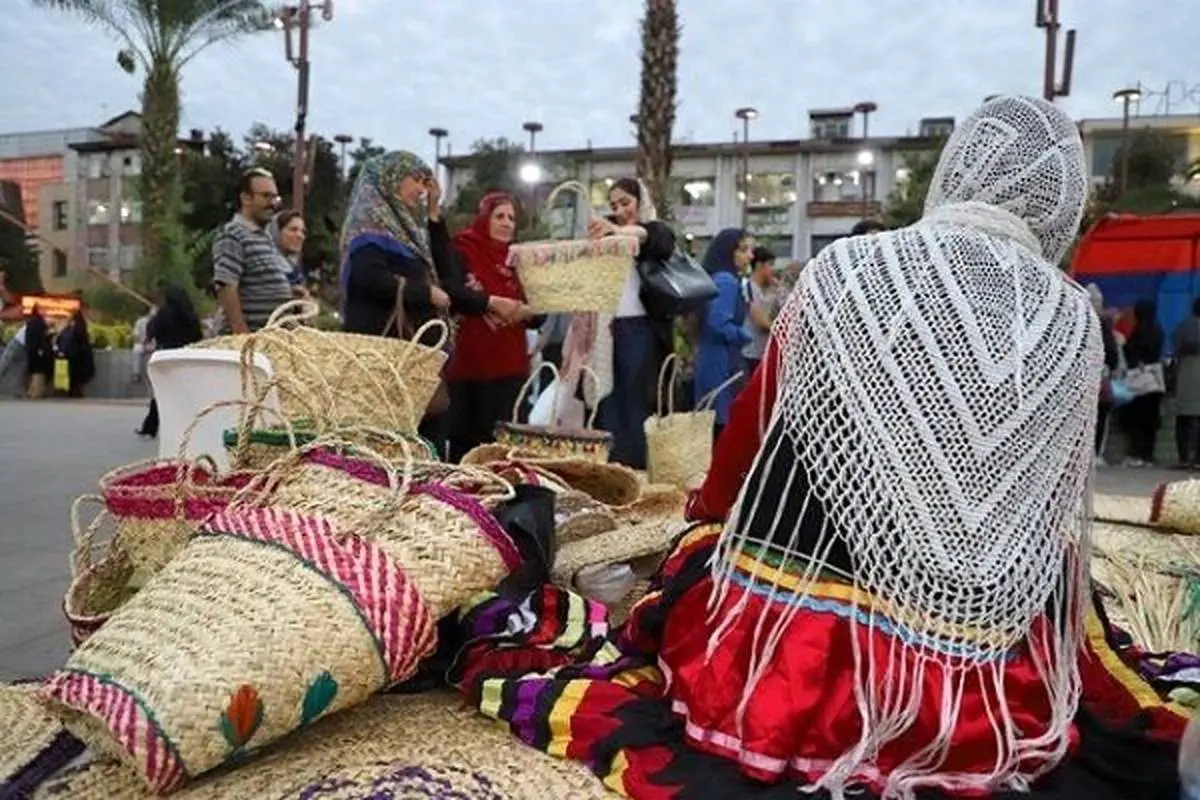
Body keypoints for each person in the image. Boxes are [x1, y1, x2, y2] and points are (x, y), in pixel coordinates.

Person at [447, 96, 1186, 800]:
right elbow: (1044, 501)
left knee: (703, 561)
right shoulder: (1071, 321)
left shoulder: (847, 274)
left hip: (800, 655)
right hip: (988, 672)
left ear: (956, 169)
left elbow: (758, 424)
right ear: (1059, 203)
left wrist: (702, 524)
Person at [339, 151, 520, 456]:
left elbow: (443, 269)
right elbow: (368, 279)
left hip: (416, 363)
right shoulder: (368, 228)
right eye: (416, 180)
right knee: (388, 449)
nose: (422, 190)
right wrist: (425, 293)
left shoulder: (408, 231)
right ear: (391, 180)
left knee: (427, 448)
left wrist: (434, 213)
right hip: (384, 360)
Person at [569, 178, 675, 469]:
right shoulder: (603, 238)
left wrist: (617, 231)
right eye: (614, 205)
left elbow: (653, 238)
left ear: (641, 201)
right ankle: (610, 471)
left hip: (639, 329)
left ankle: (639, 472)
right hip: (605, 331)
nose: (619, 210)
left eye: (626, 202)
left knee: (636, 404)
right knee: (607, 402)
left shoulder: (654, 231)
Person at [444, 191, 535, 461]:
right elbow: (453, 293)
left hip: (509, 365)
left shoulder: (519, 260)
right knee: (467, 445)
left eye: (512, 218)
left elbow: (539, 310)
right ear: (484, 218)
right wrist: (490, 302)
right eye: (500, 216)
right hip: (470, 363)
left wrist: (524, 312)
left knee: (504, 446)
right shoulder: (462, 249)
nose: (507, 223)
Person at [211, 168, 295, 334]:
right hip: (248, 343)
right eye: (265, 196)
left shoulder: (265, 237)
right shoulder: (233, 234)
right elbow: (226, 285)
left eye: (274, 197)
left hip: (268, 339)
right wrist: (241, 333)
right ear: (246, 198)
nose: (272, 203)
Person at [692, 228, 753, 441]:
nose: (750, 256)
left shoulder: (716, 277)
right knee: (722, 426)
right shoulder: (727, 281)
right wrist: (744, 336)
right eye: (744, 250)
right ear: (730, 252)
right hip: (722, 361)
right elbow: (718, 322)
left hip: (712, 357)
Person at [137, 285, 204, 438]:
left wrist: (154, 316)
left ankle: (150, 426)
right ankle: (186, 425)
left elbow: (151, 331)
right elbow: (198, 336)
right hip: (185, 356)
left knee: (161, 392)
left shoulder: (164, 313)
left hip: (166, 355)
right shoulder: (190, 315)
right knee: (184, 392)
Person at [1121, 299, 1165, 467]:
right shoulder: (1158, 330)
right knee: (1151, 419)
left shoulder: (1138, 331)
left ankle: (1137, 453)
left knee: (1137, 419)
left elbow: (1130, 350)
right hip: (1155, 379)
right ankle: (1148, 455)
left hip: (1139, 381)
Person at [1088, 284, 1121, 464]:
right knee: (1100, 418)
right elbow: (1112, 354)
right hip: (1099, 379)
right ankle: (1095, 454)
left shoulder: (1076, 319)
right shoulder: (1102, 324)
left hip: (1080, 381)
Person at [740, 245, 779, 376]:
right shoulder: (748, 289)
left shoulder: (767, 291)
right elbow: (761, 322)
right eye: (770, 265)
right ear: (759, 265)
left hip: (763, 352)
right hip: (751, 353)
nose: (772, 270)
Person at [1172, 296, 1200, 468]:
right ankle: (1198, 459)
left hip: (1186, 375)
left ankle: (1183, 458)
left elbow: (1175, 344)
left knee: (1183, 420)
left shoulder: (1184, 325)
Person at [267, 209, 310, 294]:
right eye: (293, 229)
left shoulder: (294, 267)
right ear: (277, 231)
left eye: (303, 231)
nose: (300, 236)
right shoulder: (266, 264)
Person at [58, 309, 94, 398]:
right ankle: (77, 392)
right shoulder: (82, 327)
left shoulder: (70, 328)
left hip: (70, 354)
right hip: (81, 356)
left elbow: (61, 339)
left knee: (72, 375)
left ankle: (70, 392)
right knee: (78, 376)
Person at [23, 305, 52, 398]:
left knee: (33, 371)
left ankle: (31, 391)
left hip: (30, 350)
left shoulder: (30, 322)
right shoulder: (39, 323)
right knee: (39, 372)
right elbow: (42, 337)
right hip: (38, 351)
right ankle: (36, 392)